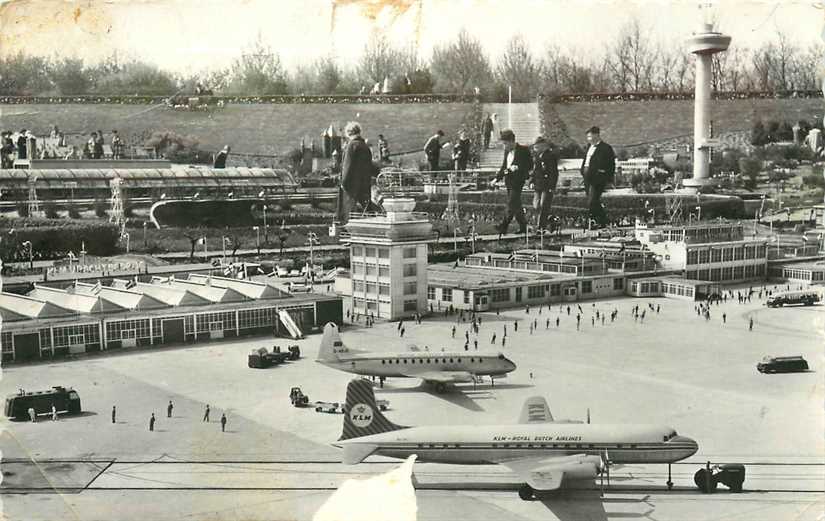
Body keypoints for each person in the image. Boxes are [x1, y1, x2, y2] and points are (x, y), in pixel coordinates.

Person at [337, 121, 379, 225]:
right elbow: (371, 167)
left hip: (351, 188)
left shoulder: (351, 146)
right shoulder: (365, 147)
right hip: (364, 186)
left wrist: (343, 183)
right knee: (364, 214)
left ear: (348, 133)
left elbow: (347, 166)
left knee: (349, 216)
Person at [496, 129, 532, 235]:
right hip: (509, 181)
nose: (504, 146)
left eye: (505, 143)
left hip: (518, 181)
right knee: (516, 205)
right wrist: (496, 178)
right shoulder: (507, 151)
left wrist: (519, 168)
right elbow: (504, 167)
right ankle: (523, 227)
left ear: (512, 141)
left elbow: (530, 165)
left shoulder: (524, 150)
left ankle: (503, 226)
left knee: (511, 203)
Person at [580, 126, 615, 229]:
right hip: (587, 177)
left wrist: (608, 178)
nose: (589, 138)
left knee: (592, 200)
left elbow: (611, 165)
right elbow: (586, 161)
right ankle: (601, 220)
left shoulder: (606, 148)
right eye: (588, 137)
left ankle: (597, 220)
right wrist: (582, 171)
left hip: (598, 178)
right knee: (592, 201)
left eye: (590, 136)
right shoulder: (588, 147)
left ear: (597, 135)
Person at [530, 136, 559, 232]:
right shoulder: (537, 157)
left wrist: (552, 186)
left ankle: (541, 227)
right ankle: (550, 220)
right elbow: (535, 171)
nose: (535, 149)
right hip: (538, 185)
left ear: (543, 146)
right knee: (536, 206)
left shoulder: (550, 156)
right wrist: (532, 181)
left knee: (544, 205)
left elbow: (553, 172)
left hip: (547, 186)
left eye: (537, 147)